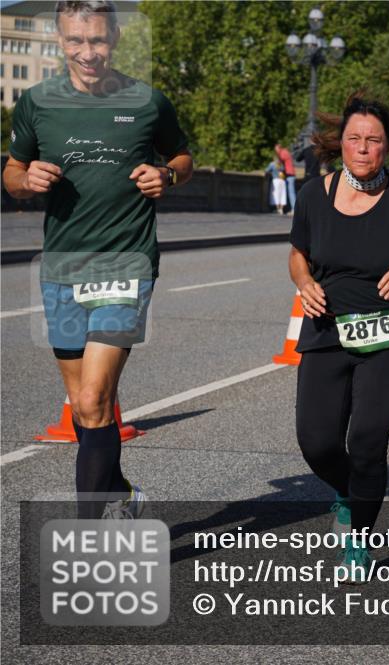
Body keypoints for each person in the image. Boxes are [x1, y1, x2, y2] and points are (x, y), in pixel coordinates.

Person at [2, 0, 192, 518]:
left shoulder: (148, 102)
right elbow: (12, 172)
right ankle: (121, 492)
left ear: (115, 39)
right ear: (60, 40)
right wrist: (25, 181)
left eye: (98, 40)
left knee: (91, 401)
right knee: (90, 412)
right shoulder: (37, 103)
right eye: (75, 41)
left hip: (125, 263)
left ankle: (88, 538)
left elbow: (182, 157)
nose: (87, 52)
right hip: (62, 268)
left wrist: (167, 175)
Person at [288, 93, 389, 582]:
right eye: (354, 138)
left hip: (386, 338)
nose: (363, 148)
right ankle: (349, 490)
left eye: (373, 140)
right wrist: (304, 282)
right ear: (342, 144)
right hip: (327, 330)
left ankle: (360, 535)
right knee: (316, 443)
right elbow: (297, 254)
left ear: (387, 148)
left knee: (369, 441)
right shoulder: (314, 194)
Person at [275, 142, 297, 212]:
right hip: (289, 174)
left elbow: (280, 164)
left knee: (291, 192)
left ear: (278, 147)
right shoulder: (285, 152)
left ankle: (294, 209)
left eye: (276, 149)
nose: (276, 150)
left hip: (289, 174)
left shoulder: (282, 153)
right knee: (289, 192)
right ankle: (291, 208)